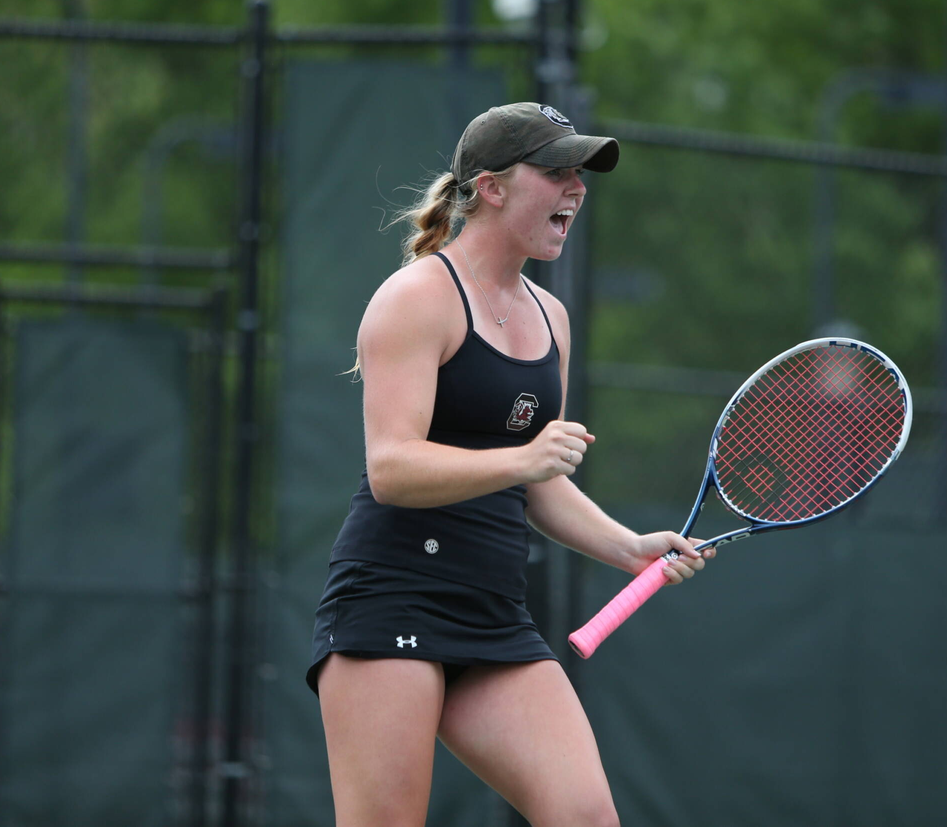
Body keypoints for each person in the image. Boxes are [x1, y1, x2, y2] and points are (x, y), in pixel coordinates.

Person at [306, 102, 715, 827]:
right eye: (556, 172)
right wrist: (522, 458)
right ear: (491, 188)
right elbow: (392, 468)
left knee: (588, 819)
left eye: (580, 174)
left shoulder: (551, 317)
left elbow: (540, 483)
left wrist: (630, 548)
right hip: (391, 600)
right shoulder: (416, 297)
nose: (576, 189)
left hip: (493, 614)